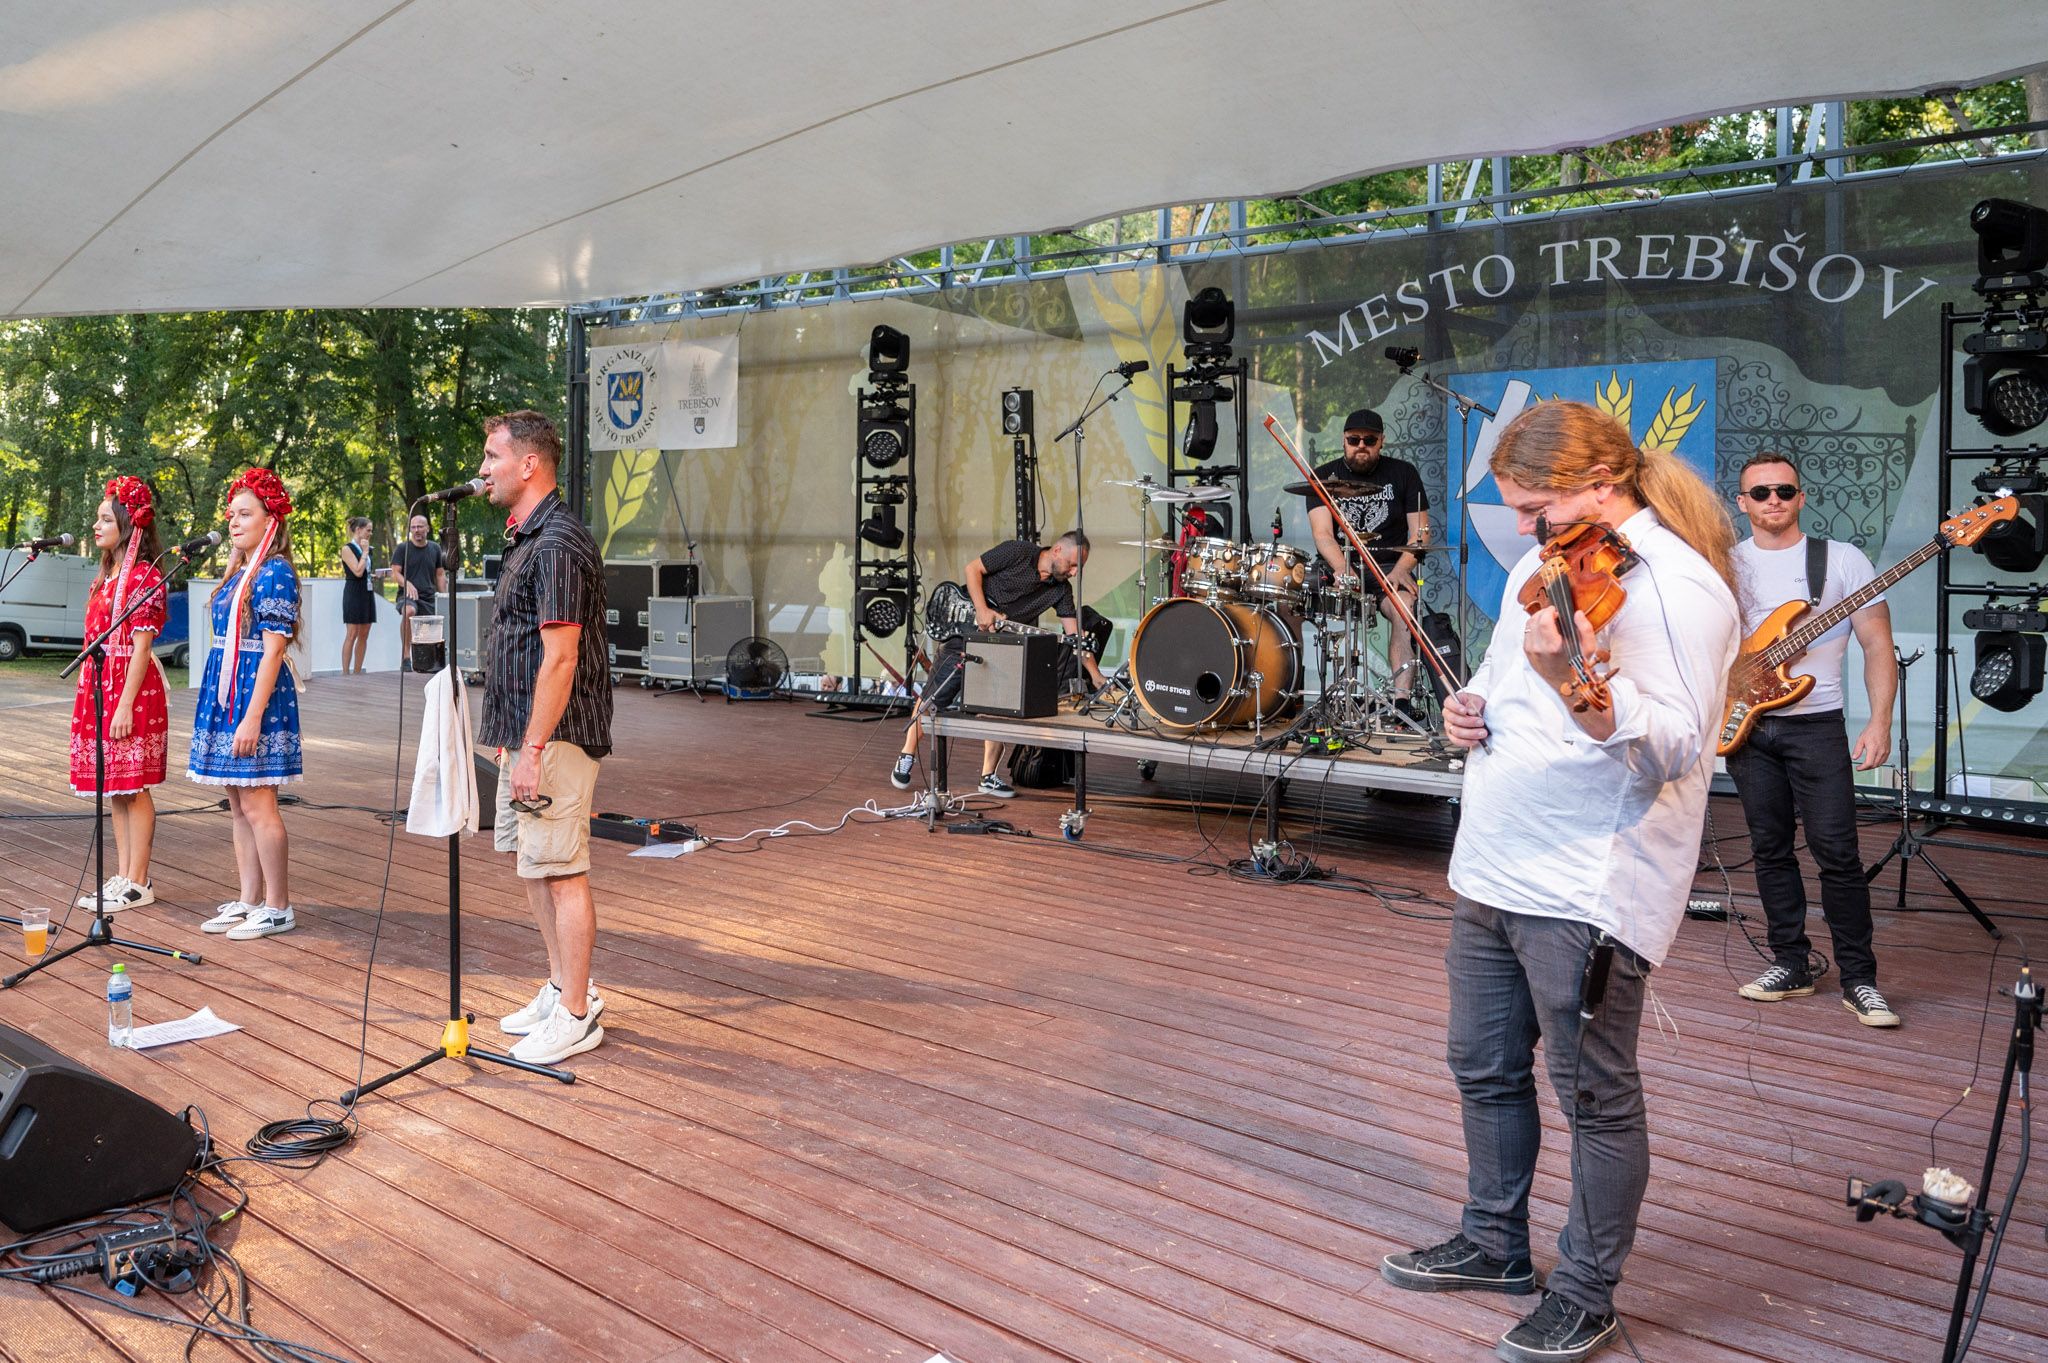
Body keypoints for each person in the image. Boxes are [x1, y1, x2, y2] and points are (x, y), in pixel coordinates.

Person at [1381, 401, 1739, 1363]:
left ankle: (1585, 1291)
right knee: (1483, 1065)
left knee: (1595, 1098)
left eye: (1535, 507)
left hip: (1586, 884)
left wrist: (1572, 681)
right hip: (1494, 865)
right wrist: (1468, 708)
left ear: (1601, 484)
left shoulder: (1680, 587)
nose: (1523, 527)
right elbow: (1499, 679)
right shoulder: (1543, 569)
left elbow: (1675, 746)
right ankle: (1495, 1242)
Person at [1726, 453, 1901, 1027]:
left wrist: (1879, 721)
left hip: (1818, 724)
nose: (1773, 500)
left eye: (1784, 490)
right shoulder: (1726, 565)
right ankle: (1791, 962)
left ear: (1801, 497)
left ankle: (1860, 979)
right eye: (1760, 493)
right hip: (1749, 725)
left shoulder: (1841, 560)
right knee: (1769, 848)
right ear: (1742, 503)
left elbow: (1877, 644)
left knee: (1838, 853)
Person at [476, 409, 615, 1066]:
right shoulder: (528, 536)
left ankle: (578, 1014)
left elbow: (561, 658)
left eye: (492, 456)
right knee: (534, 864)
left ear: (529, 464)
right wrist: (515, 739)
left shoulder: (558, 542)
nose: (483, 469)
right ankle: (562, 986)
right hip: (527, 736)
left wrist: (533, 747)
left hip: (555, 739)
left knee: (562, 871)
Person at [889, 531, 1106, 798]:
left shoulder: (1061, 591)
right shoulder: (1018, 551)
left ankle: (988, 775)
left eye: (1078, 568)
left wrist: (1095, 675)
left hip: (1000, 645)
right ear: (1058, 551)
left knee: (999, 707)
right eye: (1072, 565)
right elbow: (973, 569)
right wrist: (982, 610)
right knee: (933, 697)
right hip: (964, 632)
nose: (1074, 572)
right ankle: (907, 753)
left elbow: (1074, 636)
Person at [189, 467, 303, 941]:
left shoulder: (274, 571)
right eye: (231, 514)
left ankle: (278, 906)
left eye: (245, 513)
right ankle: (250, 898)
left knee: (258, 804)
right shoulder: (240, 570)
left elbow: (273, 650)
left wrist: (252, 716)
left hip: (257, 696)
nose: (234, 521)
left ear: (269, 520)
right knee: (237, 804)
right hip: (228, 690)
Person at [68, 476, 170, 912]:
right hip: (100, 688)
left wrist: (125, 703)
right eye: (97, 518)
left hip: (131, 690)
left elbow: (142, 648)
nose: (96, 525)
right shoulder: (106, 574)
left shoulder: (144, 575)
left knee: (134, 785)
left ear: (128, 525)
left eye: (106, 519)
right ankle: (124, 873)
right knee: (116, 788)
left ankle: (139, 880)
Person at [1304, 407, 1431, 716]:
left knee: (1405, 608)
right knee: (1289, 600)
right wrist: (1342, 569)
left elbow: (1421, 534)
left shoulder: (1404, 473)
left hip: (1387, 566)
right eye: (1354, 440)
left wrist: (1402, 569)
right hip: (1339, 563)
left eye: (1369, 440)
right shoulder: (1323, 476)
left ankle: (1401, 702)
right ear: (1344, 440)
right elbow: (1323, 534)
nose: (1361, 445)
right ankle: (1287, 693)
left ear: (1381, 441)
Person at [392, 512, 448, 666]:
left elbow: (440, 574)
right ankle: (406, 656)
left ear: (427, 528)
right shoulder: (403, 548)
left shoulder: (435, 548)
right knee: (409, 611)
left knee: (436, 625)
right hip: (407, 595)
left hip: (429, 596)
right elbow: (395, 573)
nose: (416, 530)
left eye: (420, 527)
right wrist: (407, 584)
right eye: (413, 527)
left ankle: (431, 661)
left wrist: (444, 597)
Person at [339, 515, 378, 675]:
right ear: (358, 530)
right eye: (368, 530)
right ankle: (345, 672)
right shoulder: (347, 549)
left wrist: (374, 575)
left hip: (366, 592)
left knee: (364, 632)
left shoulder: (367, 550)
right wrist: (365, 552)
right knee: (352, 633)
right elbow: (357, 571)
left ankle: (357, 671)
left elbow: (365, 571)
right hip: (354, 592)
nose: (370, 533)